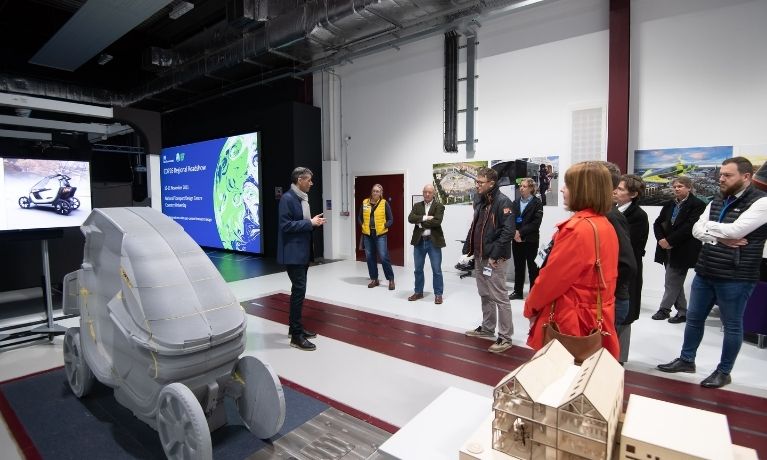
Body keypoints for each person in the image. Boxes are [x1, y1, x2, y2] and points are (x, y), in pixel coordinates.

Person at [658, 157, 767, 389]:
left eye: (728, 175)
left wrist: (711, 229)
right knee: (694, 319)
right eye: (721, 174)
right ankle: (687, 360)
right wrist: (719, 236)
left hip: (737, 275)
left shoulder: (761, 202)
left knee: (732, 325)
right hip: (706, 269)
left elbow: (737, 229)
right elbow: (697, 229)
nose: (721, 179)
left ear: (746, 177)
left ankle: (724, 371)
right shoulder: (717, 198)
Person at [524, 161, 620, 359]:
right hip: (595, 315)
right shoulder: (604, 224)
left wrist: (530, 307)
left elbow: (551, 280)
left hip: (571, 320)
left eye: (567, 185)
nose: (562, 189)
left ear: (582, 190)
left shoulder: (577, 229)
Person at [462, 167, 516, 353]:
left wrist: (495, 255)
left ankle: (505, 337)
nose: (477, 185)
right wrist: (468, 248)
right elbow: (475, 225)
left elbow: (508, 232)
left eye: (480, 182)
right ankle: (487, 328)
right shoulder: (481, 201)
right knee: (485, 294)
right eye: (476, 182)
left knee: (500, 297)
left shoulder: (503, 202)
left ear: (491, 183)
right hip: (480, 255)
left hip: (495, 259)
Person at [277, 167, 326, 351]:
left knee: (299, 292)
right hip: (293, 254)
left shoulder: (301, 199)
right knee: (298, 292)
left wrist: (313, 223)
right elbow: (285, 226)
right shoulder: (288, 199)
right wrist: (309, 223)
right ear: (299, 179)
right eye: (309, 180)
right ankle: (296, 336)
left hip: (302, 253)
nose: (312, 183)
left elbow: (301, 224)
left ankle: (294, 329)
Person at [651, 176, 706, 323]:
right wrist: (661, 240)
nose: (676, 189)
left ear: (689, 187)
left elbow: (689, 227)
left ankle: (664, 309)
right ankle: (683, 312)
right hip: (665, 248)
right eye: (675, 186)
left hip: (683, 248)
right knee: (675, 282)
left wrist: (669, 241)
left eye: (680, 186)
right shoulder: (670, 204)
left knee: (671, 281)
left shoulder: (698, 204)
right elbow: (658, 223)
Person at [598, 161, 637, 341]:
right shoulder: (603, 214)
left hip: (609, 300)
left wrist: (604, 289)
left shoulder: (612, 217)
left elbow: (627, 264)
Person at [613, 174, 649, 363]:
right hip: (616, 270)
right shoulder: (615, 210)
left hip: (628, 271)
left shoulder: (638, 216)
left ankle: (619, 358)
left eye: (620, 189)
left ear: (633, 194)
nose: (615, 192)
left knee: (625, 316)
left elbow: (628, 247)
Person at [407, 184, 446, 304]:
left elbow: (437, 222)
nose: (427, 194)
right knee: (418, 269)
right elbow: (410, 218)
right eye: (425, 192)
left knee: (436, 270)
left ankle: (438, 294)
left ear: (433, 193)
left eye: (430, 192)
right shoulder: (417, 205)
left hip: (433, 242)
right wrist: (425, 217)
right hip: (419, 242)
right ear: (423, 193)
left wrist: (420, 222)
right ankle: (418, 292)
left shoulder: (439, 206)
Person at [510, 178, 543, 300]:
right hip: (516, 239)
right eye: (520, 186)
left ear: (531, 188)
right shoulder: (515, 202)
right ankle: (517, 292)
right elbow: (511, 219)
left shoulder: (537, 203)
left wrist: (520, 232)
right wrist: (514, 233)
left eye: (524, 186)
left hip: (530, 240)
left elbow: (535, 223)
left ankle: (533, 294)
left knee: (532, 268)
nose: (521, 188)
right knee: (518, 267)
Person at [358, 184, 395, 290]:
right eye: (374, 191)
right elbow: (359, 217)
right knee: (370, 258)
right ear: (371, 192)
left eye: (377, 191)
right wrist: (363, 226)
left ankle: (391, 279)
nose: (375, 193)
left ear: (381, 193)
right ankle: (374, 279)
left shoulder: (384, 203)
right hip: (367, 234)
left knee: (384, 257)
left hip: (380, 235)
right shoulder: (365, 202)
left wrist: (384, 225)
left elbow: (391, 219)